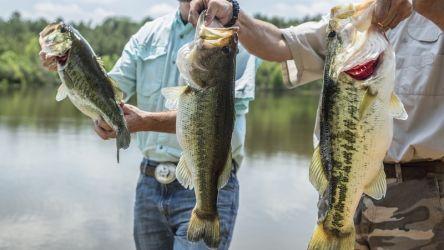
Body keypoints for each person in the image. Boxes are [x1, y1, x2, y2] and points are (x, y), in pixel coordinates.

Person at [189, 0, 444, 248]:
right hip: (337, 185)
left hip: (419, 194)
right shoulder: (348, 22)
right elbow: (278, 42)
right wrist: (233, 13)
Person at [39, 0, 258, 249]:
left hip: (208, 182)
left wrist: (144, 122)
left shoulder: (232, 38)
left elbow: (216, 117)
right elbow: (110, 87)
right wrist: (69, 66)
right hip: (149, 183)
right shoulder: (148, 33)